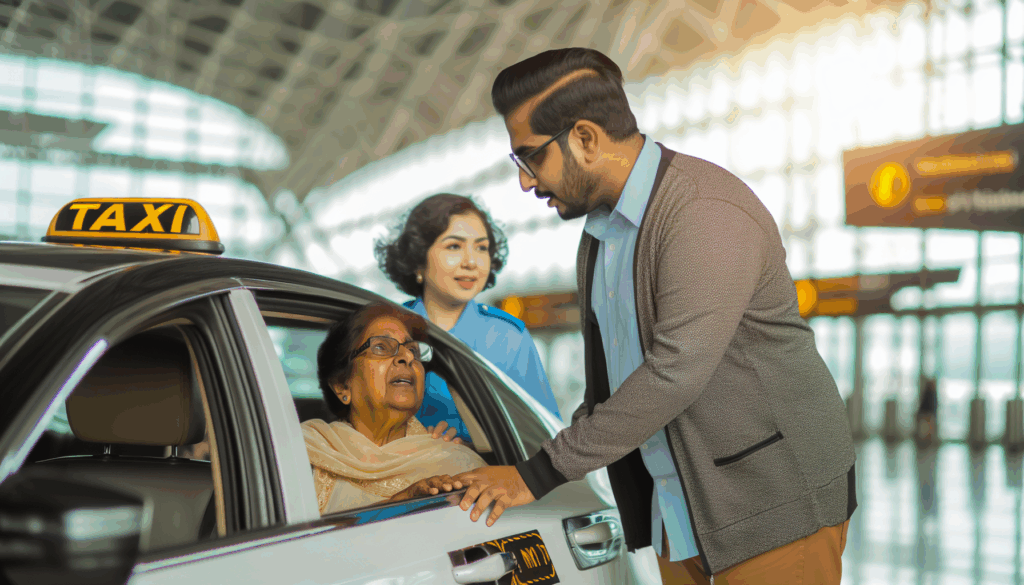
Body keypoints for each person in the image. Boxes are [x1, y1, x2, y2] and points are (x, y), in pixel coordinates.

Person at [453, 48, 857, 584]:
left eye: (530, 158)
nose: (527, 182)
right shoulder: (602, 237)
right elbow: (614, 385)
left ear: (585, 138)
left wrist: (539, 473)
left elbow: (675, 371)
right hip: (682, 507)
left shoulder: (703, 211)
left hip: (771, 500)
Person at [375, 193, 561, 444]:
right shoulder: (383, 332)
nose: (471, 262)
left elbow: (542, 438)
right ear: (418, 259)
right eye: (454, 246)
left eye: (482, 248)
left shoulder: (508, 338)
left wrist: (472, 448)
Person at [302, 302, 486, 515]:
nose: (407, 357)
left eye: (413, 351)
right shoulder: (304, 453)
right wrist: (402, 501)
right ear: (343, 385)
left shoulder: (460, 464)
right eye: (380, 347)